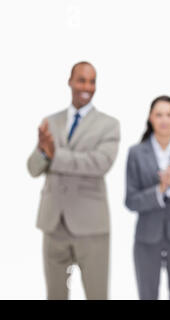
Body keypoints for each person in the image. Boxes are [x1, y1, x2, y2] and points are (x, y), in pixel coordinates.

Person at [27, 61, 120, 299]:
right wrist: (43, 152)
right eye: (81, 80)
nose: (87, 86)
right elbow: (33, 168)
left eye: (92, 81)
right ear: (70, 81)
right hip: (53, 223)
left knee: (96, 294)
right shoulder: (51, 121)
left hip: (90, 225)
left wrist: (55, 154)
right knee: (55, 295)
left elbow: (99, 164)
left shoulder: (108, 125)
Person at [125, 95, 170, 300]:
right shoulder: (136, 153)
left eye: (169, 114)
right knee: (147, 295)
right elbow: (130, 200)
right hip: (146, 238)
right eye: (159, 114)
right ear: (150, 118)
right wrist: (159, 190)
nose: (164, 120)